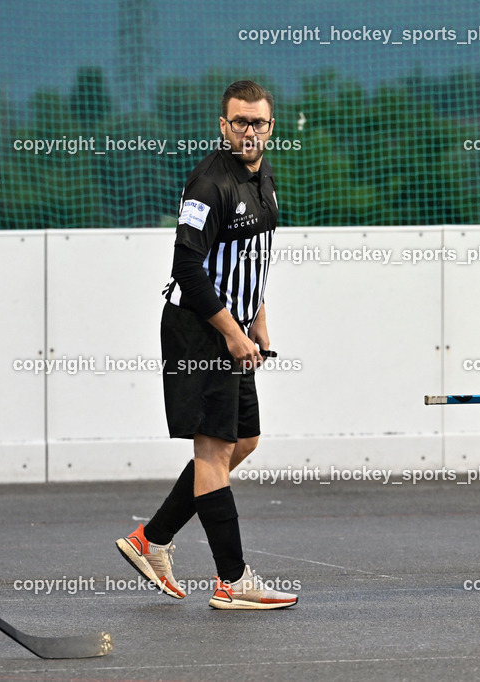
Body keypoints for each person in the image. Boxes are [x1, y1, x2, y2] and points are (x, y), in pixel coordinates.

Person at [115, 80, 297, 610]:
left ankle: (150, 539)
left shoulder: (263, 176)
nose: (249, 131)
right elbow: (188, 270)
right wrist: (233, 333)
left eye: (258, 122)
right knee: (214, 451)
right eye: (239, 122)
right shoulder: (209, 184)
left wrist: (257, 318)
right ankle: (232, 582)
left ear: (271, 127)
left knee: (245, 441)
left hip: (235, 329)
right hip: (200, 330)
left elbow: (252, 256)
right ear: (223, 126)